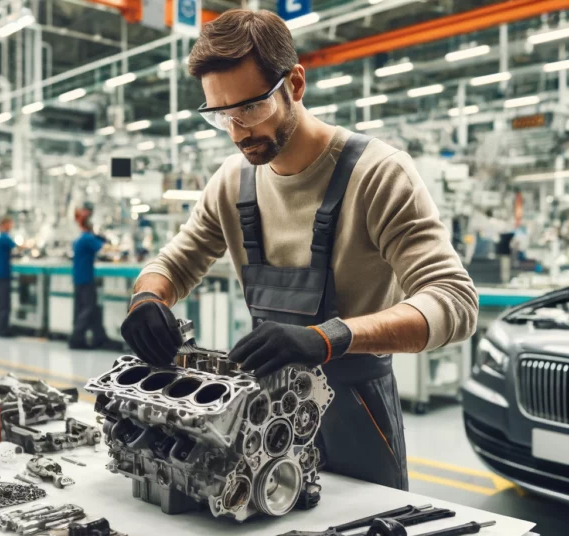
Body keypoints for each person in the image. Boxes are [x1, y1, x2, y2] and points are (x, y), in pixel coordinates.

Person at [121, 9, 478, 490]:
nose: (238, 130)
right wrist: (148, 298)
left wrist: (328, 338)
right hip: (259, 416)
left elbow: (454, 301)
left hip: (357, 413)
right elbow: (172, 263)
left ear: (295, 83)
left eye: (250, 107)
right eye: (221, 115)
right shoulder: (232, 182)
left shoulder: (378, 174)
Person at [69, 205, 108, 350]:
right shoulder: (88, 238)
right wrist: (99, 235)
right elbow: (103, 247)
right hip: (86, 278)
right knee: (88, 309)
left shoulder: (79, 239)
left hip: (79, 278)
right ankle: (76, 339)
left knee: (87, 309)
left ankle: (100, 338)